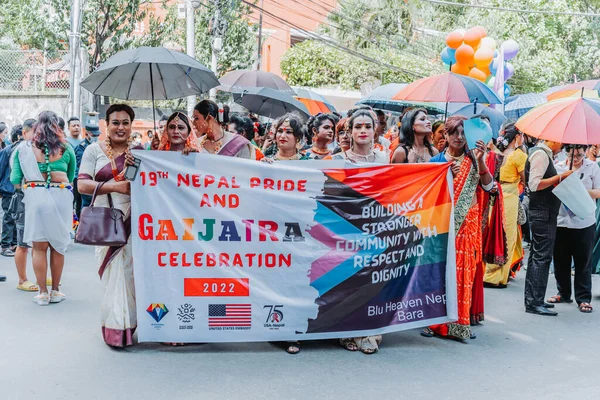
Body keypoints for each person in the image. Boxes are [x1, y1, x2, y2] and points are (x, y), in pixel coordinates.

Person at [420, 116, 494, 340]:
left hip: (467, 224)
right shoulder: (437, 161)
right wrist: (444, 176)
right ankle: (434, 323)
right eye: (453, 133)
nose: (459, 137)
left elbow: (489, 186)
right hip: (444, 222)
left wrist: (481, 161)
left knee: (463, 272)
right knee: (440, 272)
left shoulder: (474, 159)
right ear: (445, 135)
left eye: (463, 133)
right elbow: (426, 197)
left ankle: (460, 322)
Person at [78, 104, 140, 346]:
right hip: (105, 222)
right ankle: (115, 329)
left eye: (126, 122)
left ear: (131, 126)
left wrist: (149, 157)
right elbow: (82, 185)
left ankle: (129, 325)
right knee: (112, 276)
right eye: (116, 122)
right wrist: (114, 186)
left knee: (129, 275)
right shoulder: (94, 150)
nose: (120, 127)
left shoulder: (139, 151)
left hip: (133, 222)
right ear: (106, 124)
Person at [10, 111, 75, 306]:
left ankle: (42, 293)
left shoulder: (24, 149)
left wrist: (34, 184)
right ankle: (56, 291)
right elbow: (72, 177)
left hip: (36, 198)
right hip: (61, 197)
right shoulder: (67, 147)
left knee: (39, 247)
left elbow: (14, 180)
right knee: (58, 247)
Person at [547, 145, 600, 313]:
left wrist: (581, 191)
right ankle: (563, 292)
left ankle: (583, 298)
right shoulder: (558, 167)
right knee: (561, 259)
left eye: (579, 154)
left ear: (585, 152)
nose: (575, 158)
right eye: (572, 154)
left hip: (584, 221)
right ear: (566, 153)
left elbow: (599, 191)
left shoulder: (592, 167)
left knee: (583, 261)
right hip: (562, 220)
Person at [524, 138, 572, 316]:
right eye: (561, 142)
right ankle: (534, 302)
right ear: (552, 140)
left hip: (544, 211)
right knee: (541, 257)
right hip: (542, 212)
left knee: (537, 256)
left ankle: (533, 299)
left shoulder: (543, 154)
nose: (562, 146)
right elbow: (534, 184)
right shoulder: (541, 155)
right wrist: (559, 177)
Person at [484, 123, 527, 288]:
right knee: (506, 235)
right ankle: (497, 277)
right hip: (508, 198)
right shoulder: (518, 156)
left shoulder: (493, 154)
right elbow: (525, 179)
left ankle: (486, 271)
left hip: (492, 196)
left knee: (491, 232)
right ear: (516, 137)